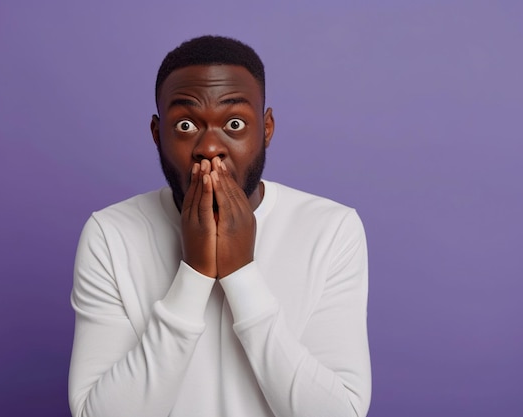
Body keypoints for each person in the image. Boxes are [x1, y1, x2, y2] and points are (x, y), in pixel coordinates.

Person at [68, 35, 371, 417]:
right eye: (185, 126)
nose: (210, 147)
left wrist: (241, 273)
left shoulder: (331, 229)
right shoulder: (110, 234)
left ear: (267, 128)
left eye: (234, 123)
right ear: (156, 134)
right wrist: (193, 274)